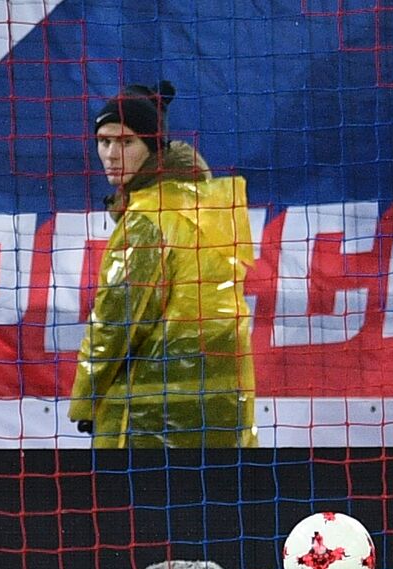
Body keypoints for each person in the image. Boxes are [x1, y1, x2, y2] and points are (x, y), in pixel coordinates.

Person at [68, 81, 257, 448]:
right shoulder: (208, 204)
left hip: (151, 416)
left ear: (153, 147)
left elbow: (115, 323)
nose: (111, 154)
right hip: (222, 408)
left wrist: (85, 400)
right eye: (104, 142)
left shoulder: (146, 219)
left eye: (126, 143)